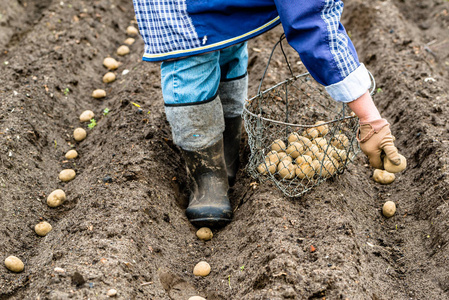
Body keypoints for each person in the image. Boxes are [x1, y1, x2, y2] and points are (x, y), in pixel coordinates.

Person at [131, 1, 402, 228]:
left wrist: (371, 120)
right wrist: (370, 118)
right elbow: (311, 22)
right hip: (182, 7)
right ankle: (207, 176)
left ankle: (227, 151)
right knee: (190, 62)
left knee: (228, 43)